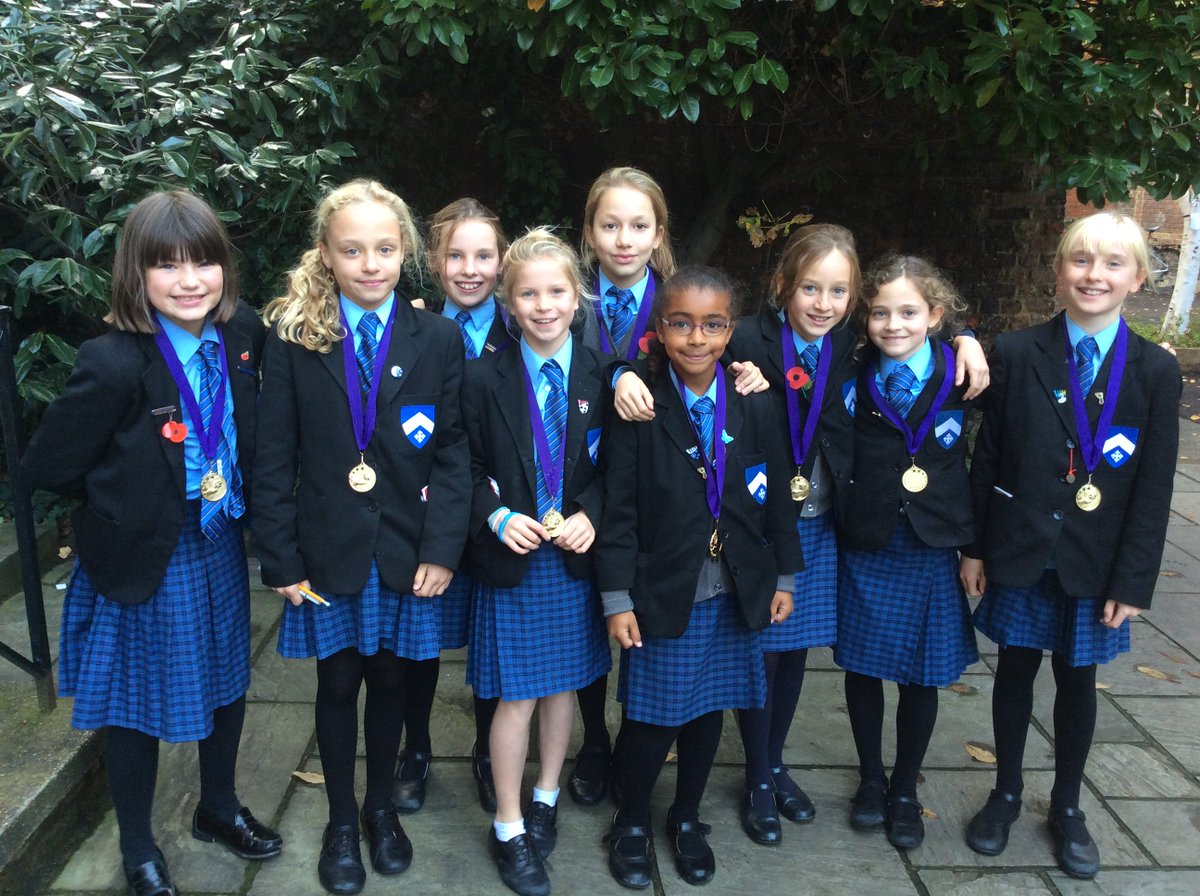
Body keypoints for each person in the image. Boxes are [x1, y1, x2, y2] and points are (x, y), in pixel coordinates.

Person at [24, 190, 281, 896]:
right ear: (135, 276)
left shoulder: (244, 336)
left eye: (203, 261)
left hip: (219, 542)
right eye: (167, 266)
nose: (190, 280)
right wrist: (121, 498)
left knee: (229, 684)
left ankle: (218, 807)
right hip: (146, 559)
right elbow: (51, 465)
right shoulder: (110, 361)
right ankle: (138, 847)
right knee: (136, 707)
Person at [253, 179, 470, 895]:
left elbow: (453, 451)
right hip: (325, 551)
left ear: (404, 249)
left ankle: (382, 810)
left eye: (383, 248)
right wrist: (279, 555)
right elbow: (273, 454)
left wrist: (442, 548)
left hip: (407, 549)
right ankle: (341, 820)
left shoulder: (437, 337)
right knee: (338, 681)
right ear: (326, 253)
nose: (370, 263)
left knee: (393, 682)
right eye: (352, 250)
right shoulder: (293, 335)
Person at [960, 212, 1180, 880]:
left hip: (1096, 558)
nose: (1094, 275)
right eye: (1080, 261)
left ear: (1138, 277)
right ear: (1058, 271)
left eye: (1113, 264)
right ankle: (1003, 793)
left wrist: (1133, 582)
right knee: (1016, 672)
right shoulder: (1020, 352)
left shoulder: (1155, 370)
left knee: (1077, 679)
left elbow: (1153, 487)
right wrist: (974, 547)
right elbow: (987, 457)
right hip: (1022, 548)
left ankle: (1067, 805)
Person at [596, 265, 802, 888]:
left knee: (709, 710)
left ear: (729, 330)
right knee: (651, 717)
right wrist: (615, 597)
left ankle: (686, 817)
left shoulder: (754, 403)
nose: (696, 338)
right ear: (659, 331)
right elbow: (619, 514)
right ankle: (631, 819)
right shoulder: (641, 410)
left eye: (712, 325)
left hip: (737, 588)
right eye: (681, 324)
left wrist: (785, 578)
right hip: (663, 591)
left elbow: (774, 504)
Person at [572, 166, 769, 803]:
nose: (623, 238)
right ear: (590, 232)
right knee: (583, 631)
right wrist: (617, 371)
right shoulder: (565, 297)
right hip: (568, 481)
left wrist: (959, 337)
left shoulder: (683, 302)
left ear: (659, 234)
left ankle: (648, 780)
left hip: (659, 489)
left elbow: (768, 334)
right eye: (610, 224)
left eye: (638, 224)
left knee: (649, 643)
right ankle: (594, 746)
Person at [461, 228, 612, 896]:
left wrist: (594, 515)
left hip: (574, 562)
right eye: (529, 294)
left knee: (563, 688)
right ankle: (509, 823)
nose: (544, 305)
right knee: (516, 695)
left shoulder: (605, 375)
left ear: (577, 296)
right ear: (508, 302)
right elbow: (460, 464)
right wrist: (494, 516)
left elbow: (622, 469)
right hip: (515, 561)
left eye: (556, 291)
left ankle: (547, 795)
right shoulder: (481, 378)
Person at [835, 255, 979, 850]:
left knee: (923, 673)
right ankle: (870, 778)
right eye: (880, 312)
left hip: (932, 542)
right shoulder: (851, 367)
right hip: (868, 538)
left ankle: (903, 788)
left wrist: (969, 339)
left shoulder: (964, 373)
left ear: (936, 315)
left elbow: (994, 455)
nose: (894, 324)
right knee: (864, 667)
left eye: (910, 312)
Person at [391, 198, 513, 816]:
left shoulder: (524, 329)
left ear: (502, 260)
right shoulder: (412, 330)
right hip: (429, 516)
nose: (470, 269)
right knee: (421, 643)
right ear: (433, 262)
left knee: (492, 645)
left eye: (484, 255)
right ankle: (415, 751)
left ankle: (492, 756)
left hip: (496, 515)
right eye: (455, 255)